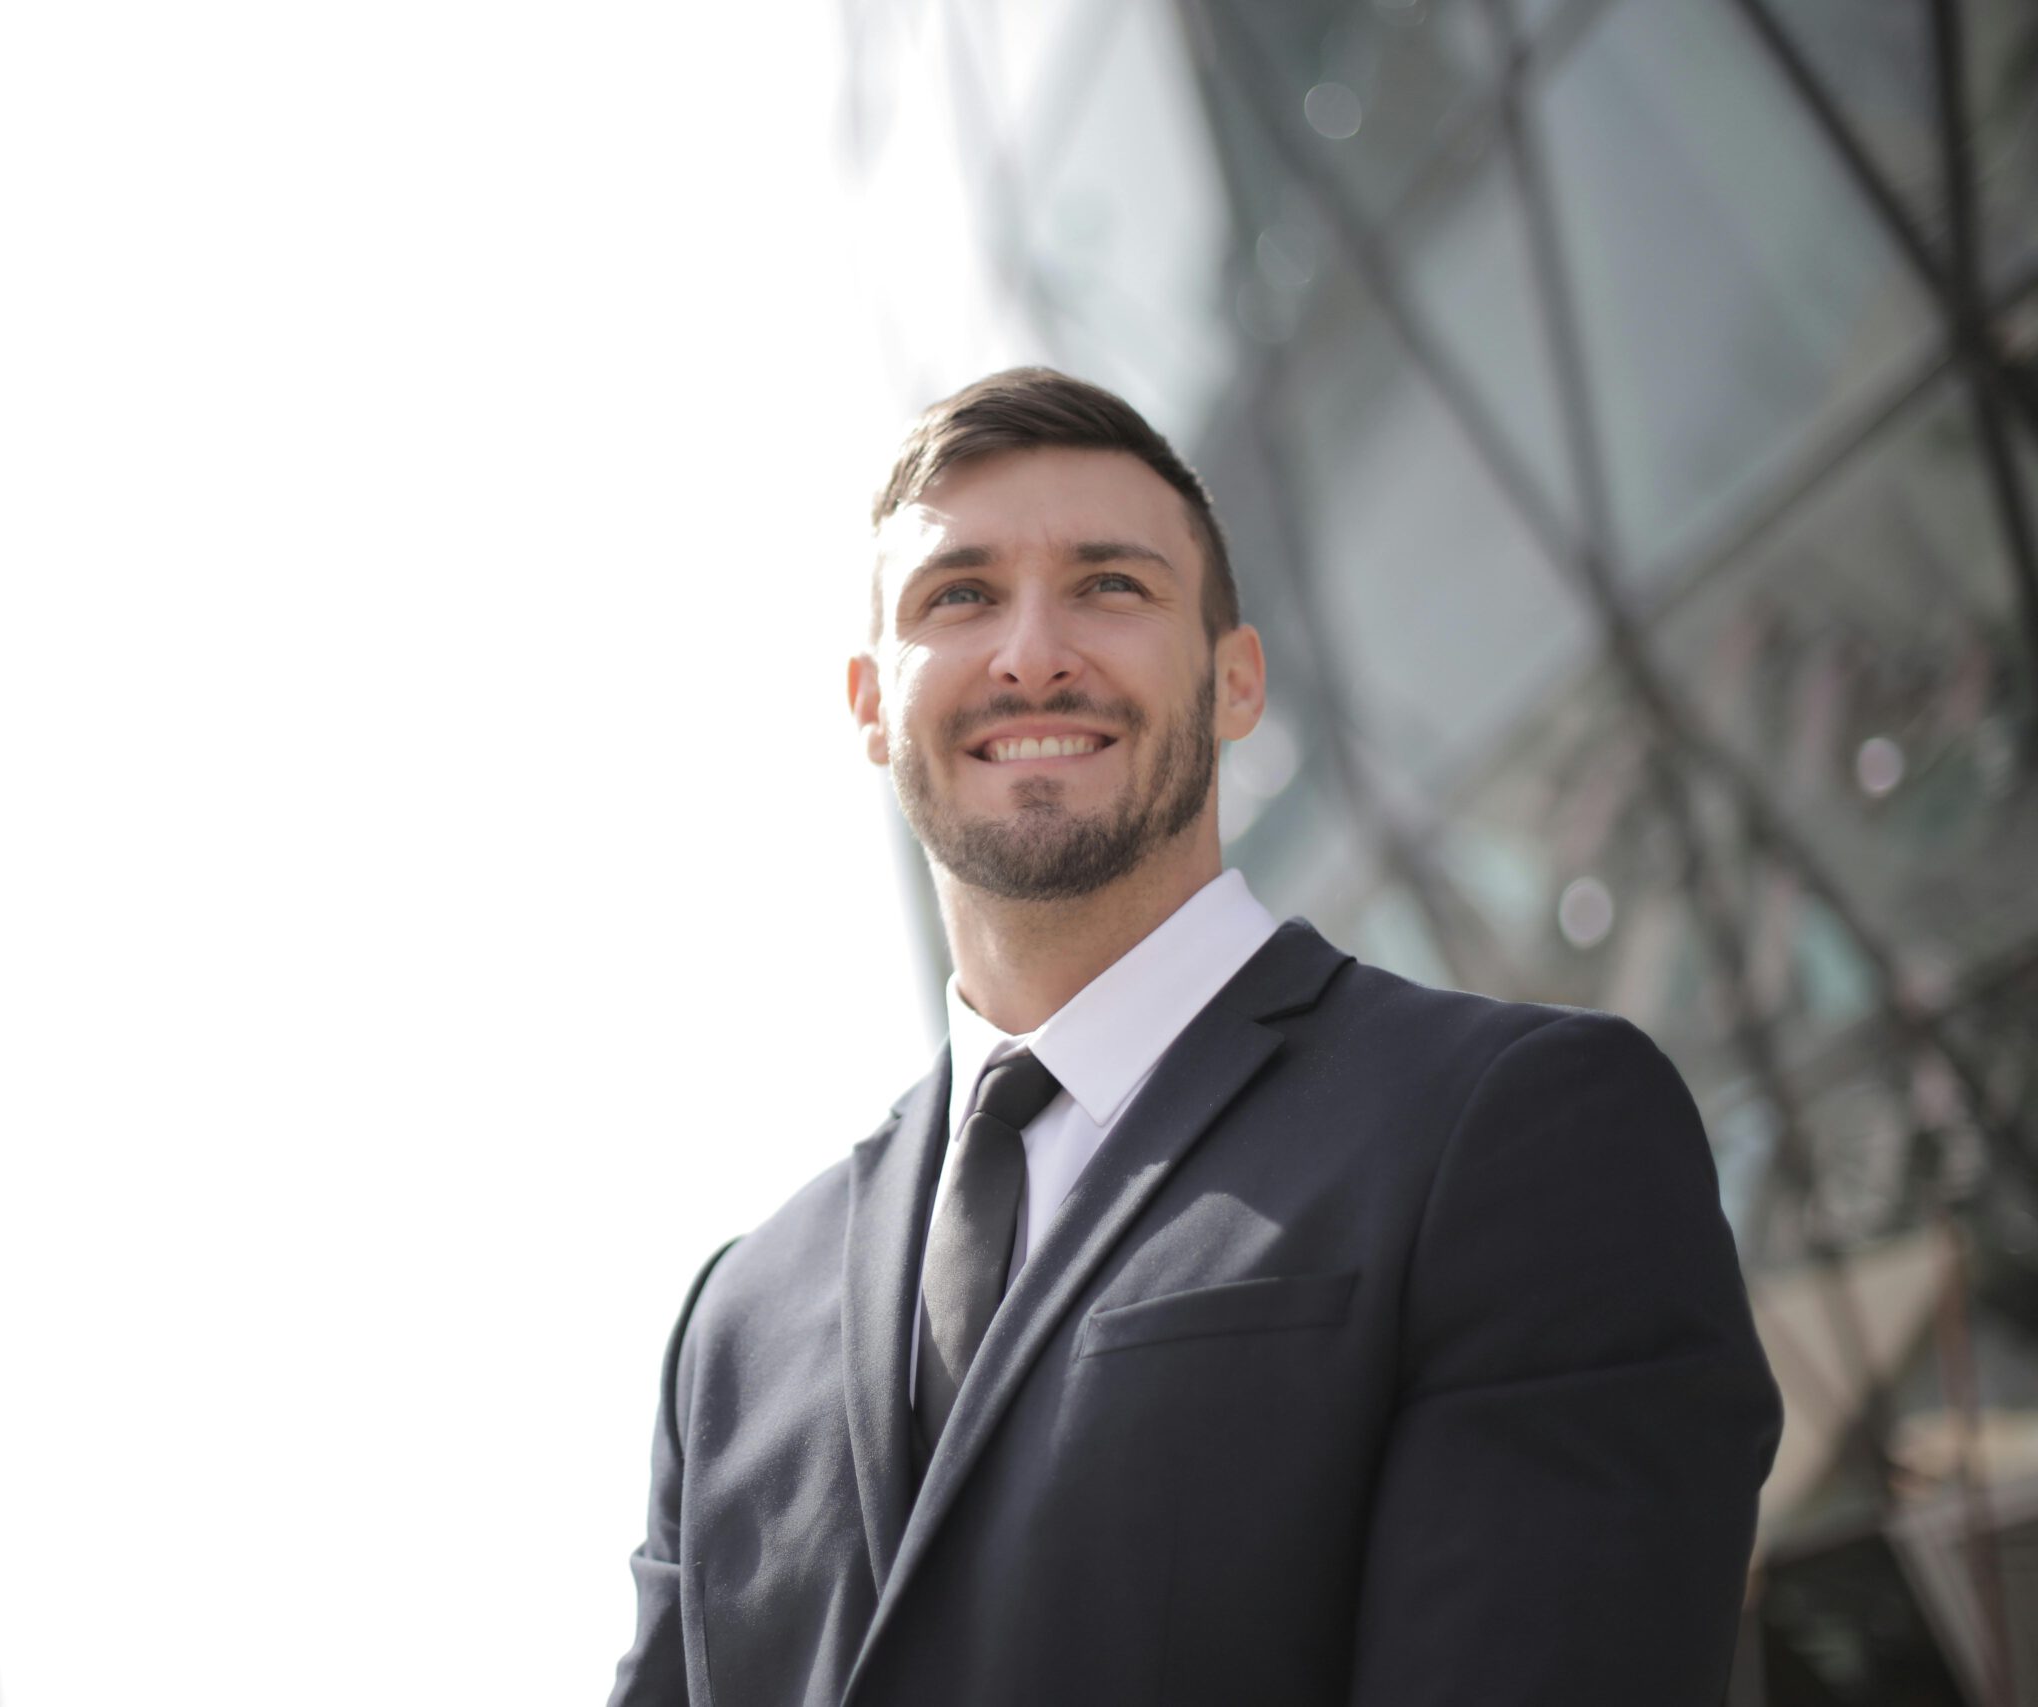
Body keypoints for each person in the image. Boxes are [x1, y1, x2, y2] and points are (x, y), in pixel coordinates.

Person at [607, 368, 1780, 1706]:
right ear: (872, 703)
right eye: (961, 595)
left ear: (1236, 682)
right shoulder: (737, 1325)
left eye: (1110, 585)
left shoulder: (1520, 1131)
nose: (1033, 652)